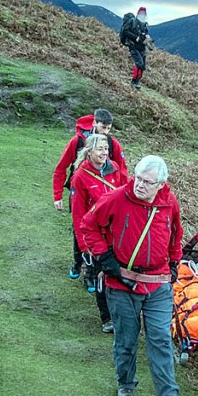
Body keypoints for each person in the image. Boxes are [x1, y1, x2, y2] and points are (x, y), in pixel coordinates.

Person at [78, 155, 192, 396]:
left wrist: (174, 261)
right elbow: (88, 225)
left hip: (158, 284)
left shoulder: (169, 203)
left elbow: (175, 233)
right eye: (138, 178)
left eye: (148, 182)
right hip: (122, 282)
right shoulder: (116, 198)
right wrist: (104, 259)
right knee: (127, 338)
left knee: (161, 340)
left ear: (161, 184)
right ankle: (126, 384)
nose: (140, 185)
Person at [51, 108, 128, 279]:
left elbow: (122, 171)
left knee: (104, 232)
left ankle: (93, 271)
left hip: (104, 196)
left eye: (109, 129)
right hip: (80, 193)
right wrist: (57, 196)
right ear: (94, 124)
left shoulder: (112, 145)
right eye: (103, 127)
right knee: (81, 227)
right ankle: (80, 263)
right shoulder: (78, 142)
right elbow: (60, 168)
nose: (106, 132)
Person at [69, 133, 125, 334]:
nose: (105, 153)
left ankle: (120, 313)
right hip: (96, 235)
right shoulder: (80, 177)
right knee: (102, 275)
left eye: (107, 149)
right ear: (89, 151)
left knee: (118, 272)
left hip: (116, 233)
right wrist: (85, 245)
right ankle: (106, 318)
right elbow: (78, 214)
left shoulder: (115, 170)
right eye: (100, 149)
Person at [120, 6, 150, 89]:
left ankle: (137, 81)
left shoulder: (144, 24)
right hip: (133, 46)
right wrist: (135, 37)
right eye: (141, 13)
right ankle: (134, 81)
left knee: (142, 66)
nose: (143, 15)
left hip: (142, 47)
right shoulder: (132, 22)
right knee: (139, 64)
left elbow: (146, 34)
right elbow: (125, 31)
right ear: (138, 13)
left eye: (144, 14)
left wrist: (148, 39)